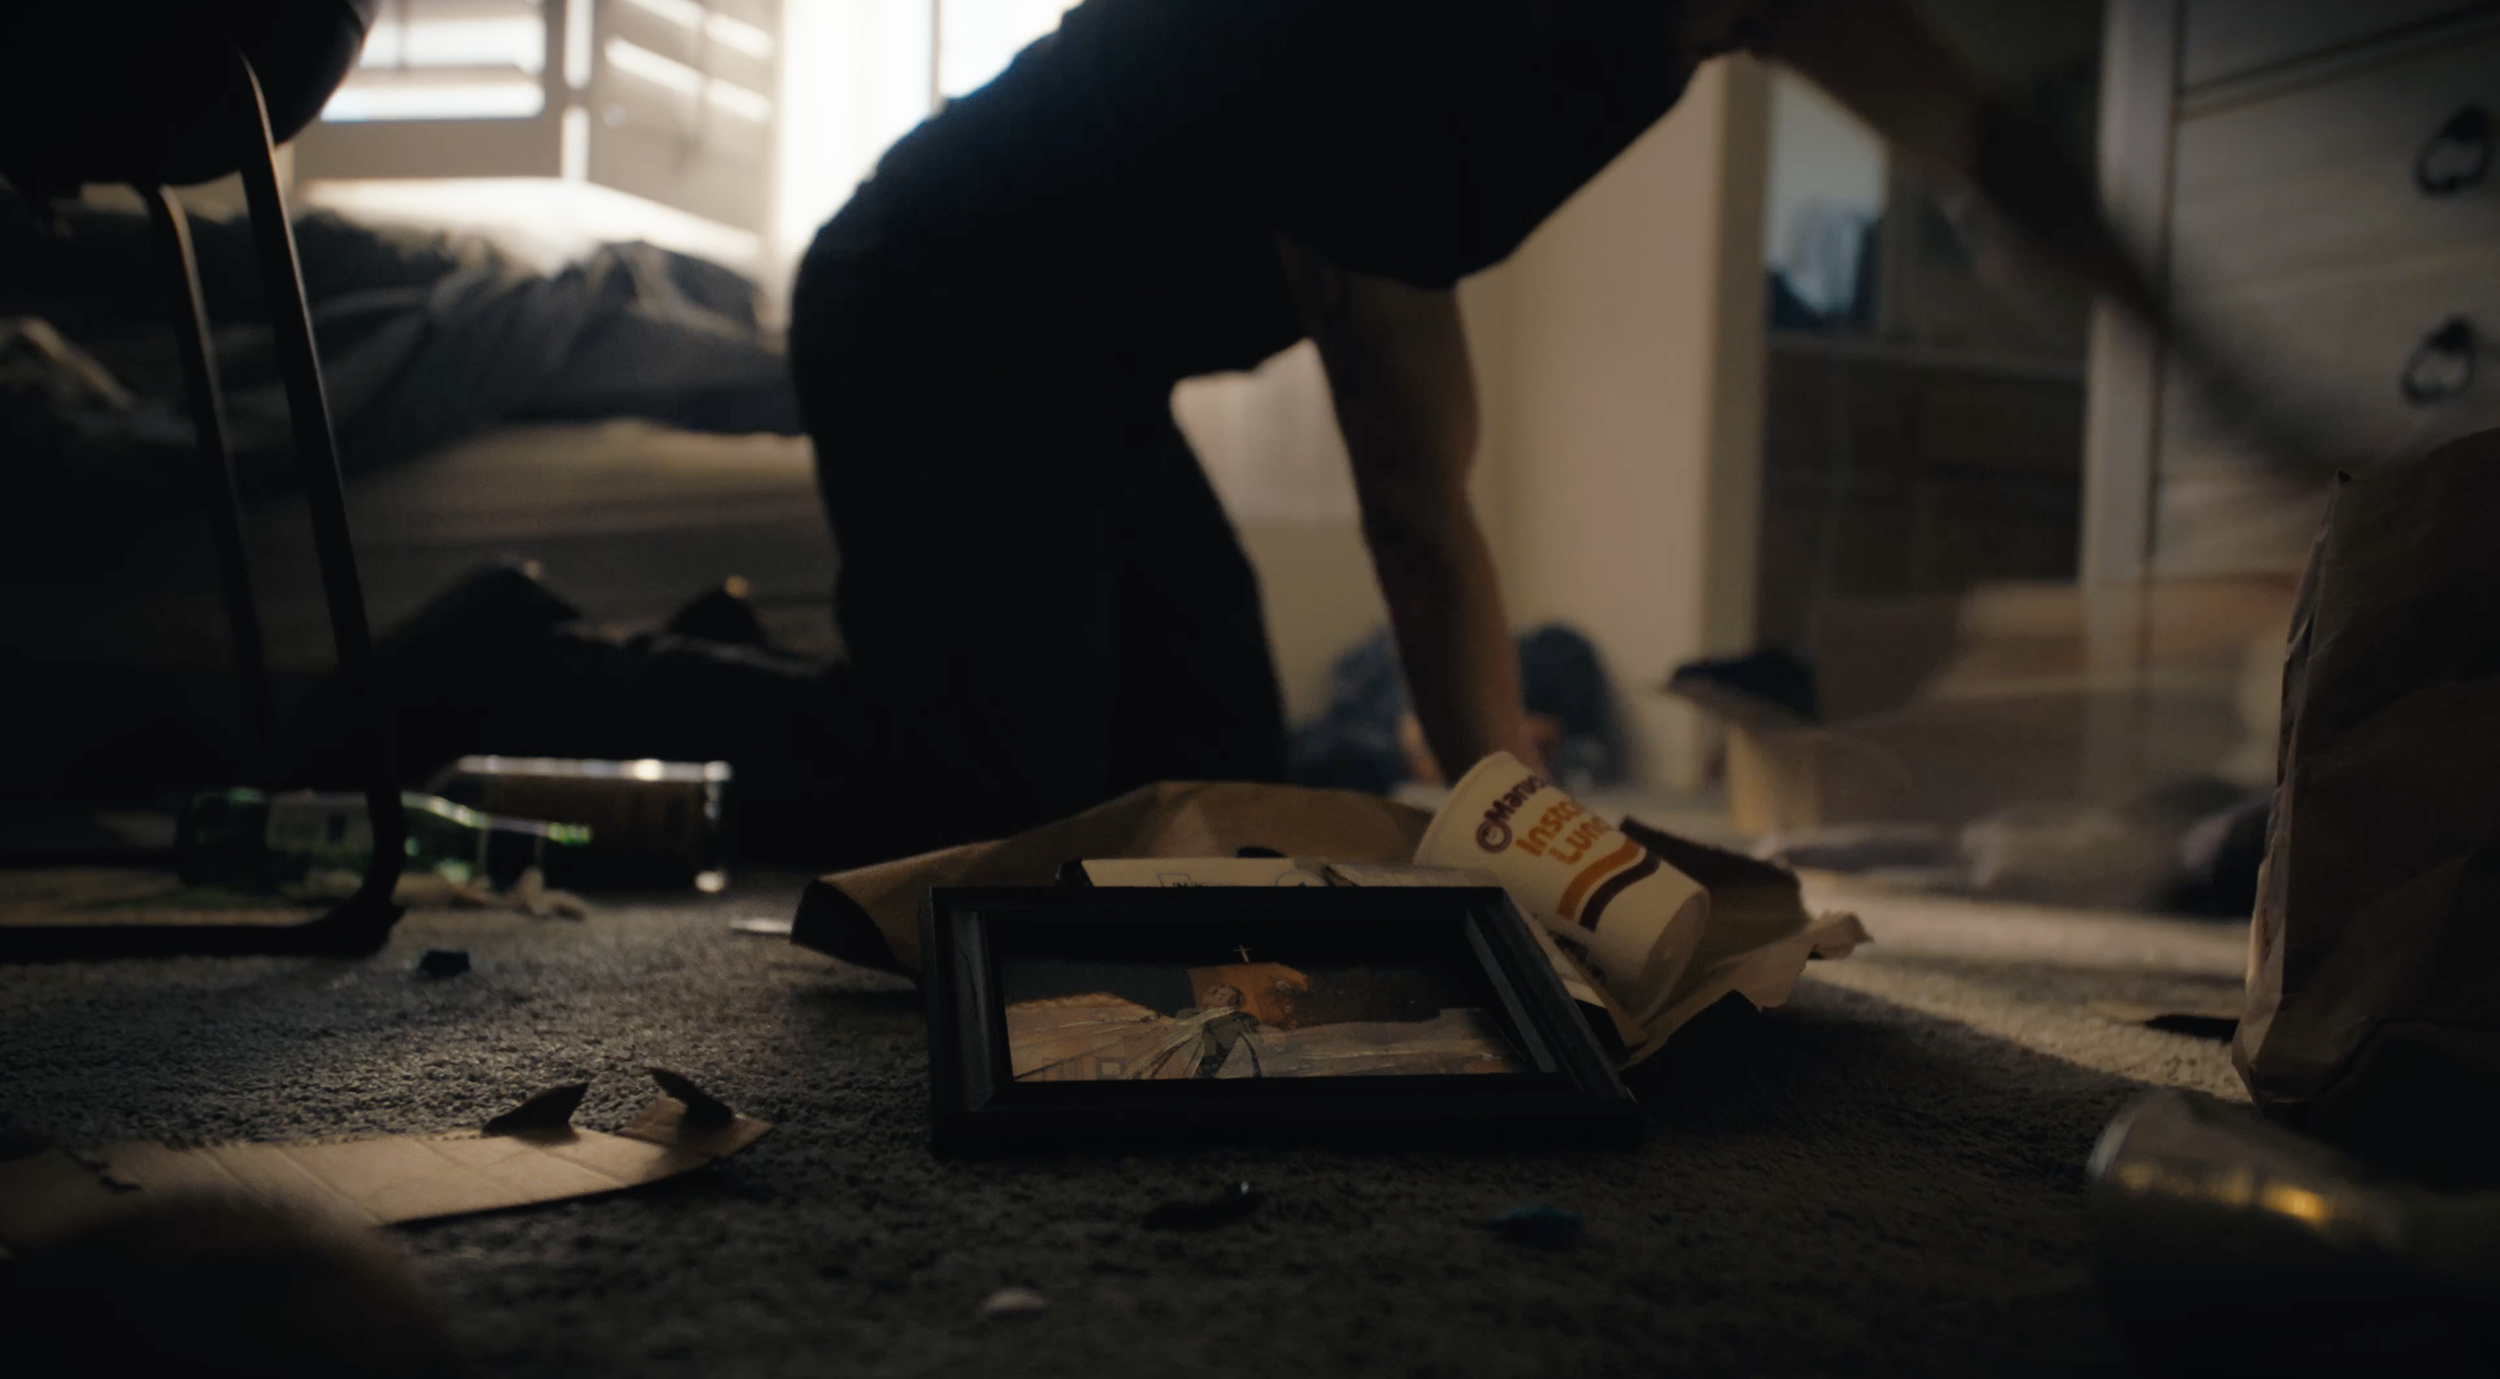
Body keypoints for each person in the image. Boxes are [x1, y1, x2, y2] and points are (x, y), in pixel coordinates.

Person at [289, 0, 2147, 868]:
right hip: (929, 300)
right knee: (980, 814)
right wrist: (1522, 835)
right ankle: (529, 658)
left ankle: (756, 662)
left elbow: (1989, 142)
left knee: (1203, 798)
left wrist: (2169, 305)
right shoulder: (1441, 55)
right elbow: (1420, 508)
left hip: (1086, 361)